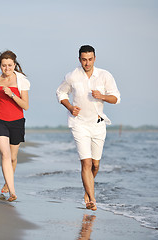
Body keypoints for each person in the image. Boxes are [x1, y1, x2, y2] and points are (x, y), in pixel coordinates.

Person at [56, 45, 120, 211]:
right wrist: (70, 107)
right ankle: (91, 198)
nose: (87, 63)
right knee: (86, 162)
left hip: (98, 124)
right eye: (84, 60)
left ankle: (87, 189)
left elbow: (116, 98)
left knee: (96, 165)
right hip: (79, 124)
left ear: (95, 58)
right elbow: (60, 93)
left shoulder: (105, 75)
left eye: (90, 59)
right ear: (79, 59)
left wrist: (102, 96)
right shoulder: (72, 76)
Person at [0, 50, 30, 202]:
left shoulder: (22, 80)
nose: (7, 69)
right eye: (4, 66)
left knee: (12, 158)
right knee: (5, 155)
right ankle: (12, 191)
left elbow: (25, 105)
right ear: (0, 65)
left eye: (10, 65)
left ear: (14, 65)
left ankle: (7, 181)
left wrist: (12, 95)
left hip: (17, 121)